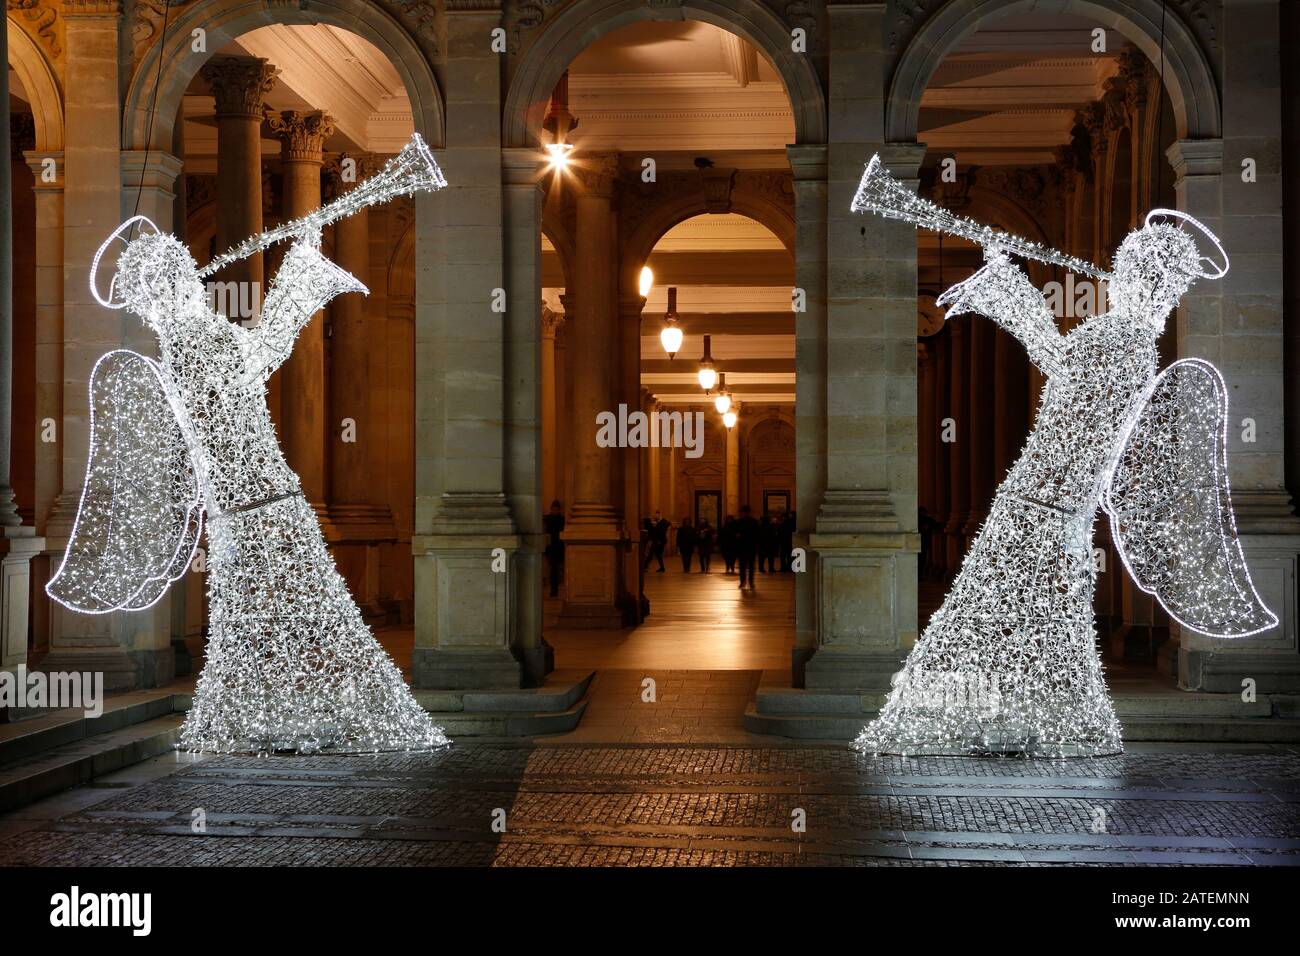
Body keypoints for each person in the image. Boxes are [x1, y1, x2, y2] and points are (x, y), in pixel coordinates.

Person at [734, 505, 760, 590]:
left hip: (748, 546)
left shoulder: (751, 522)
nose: (745, 514)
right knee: (744, 566)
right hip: (744, 547)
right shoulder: (750, 521)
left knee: (749, 566)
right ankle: (744, 582)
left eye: (745, 512)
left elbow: (757, 534)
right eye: (744, 512)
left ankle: (749, 582)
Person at [543, 500, 565, 597]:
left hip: (556, 547)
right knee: (553, 569)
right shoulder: (550, 519)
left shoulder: (559, 519)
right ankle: (553, 589)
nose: (555, 510)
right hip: (552, 547)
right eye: (554, 509)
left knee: (555, 569)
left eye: (556, 509)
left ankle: (554, 589)